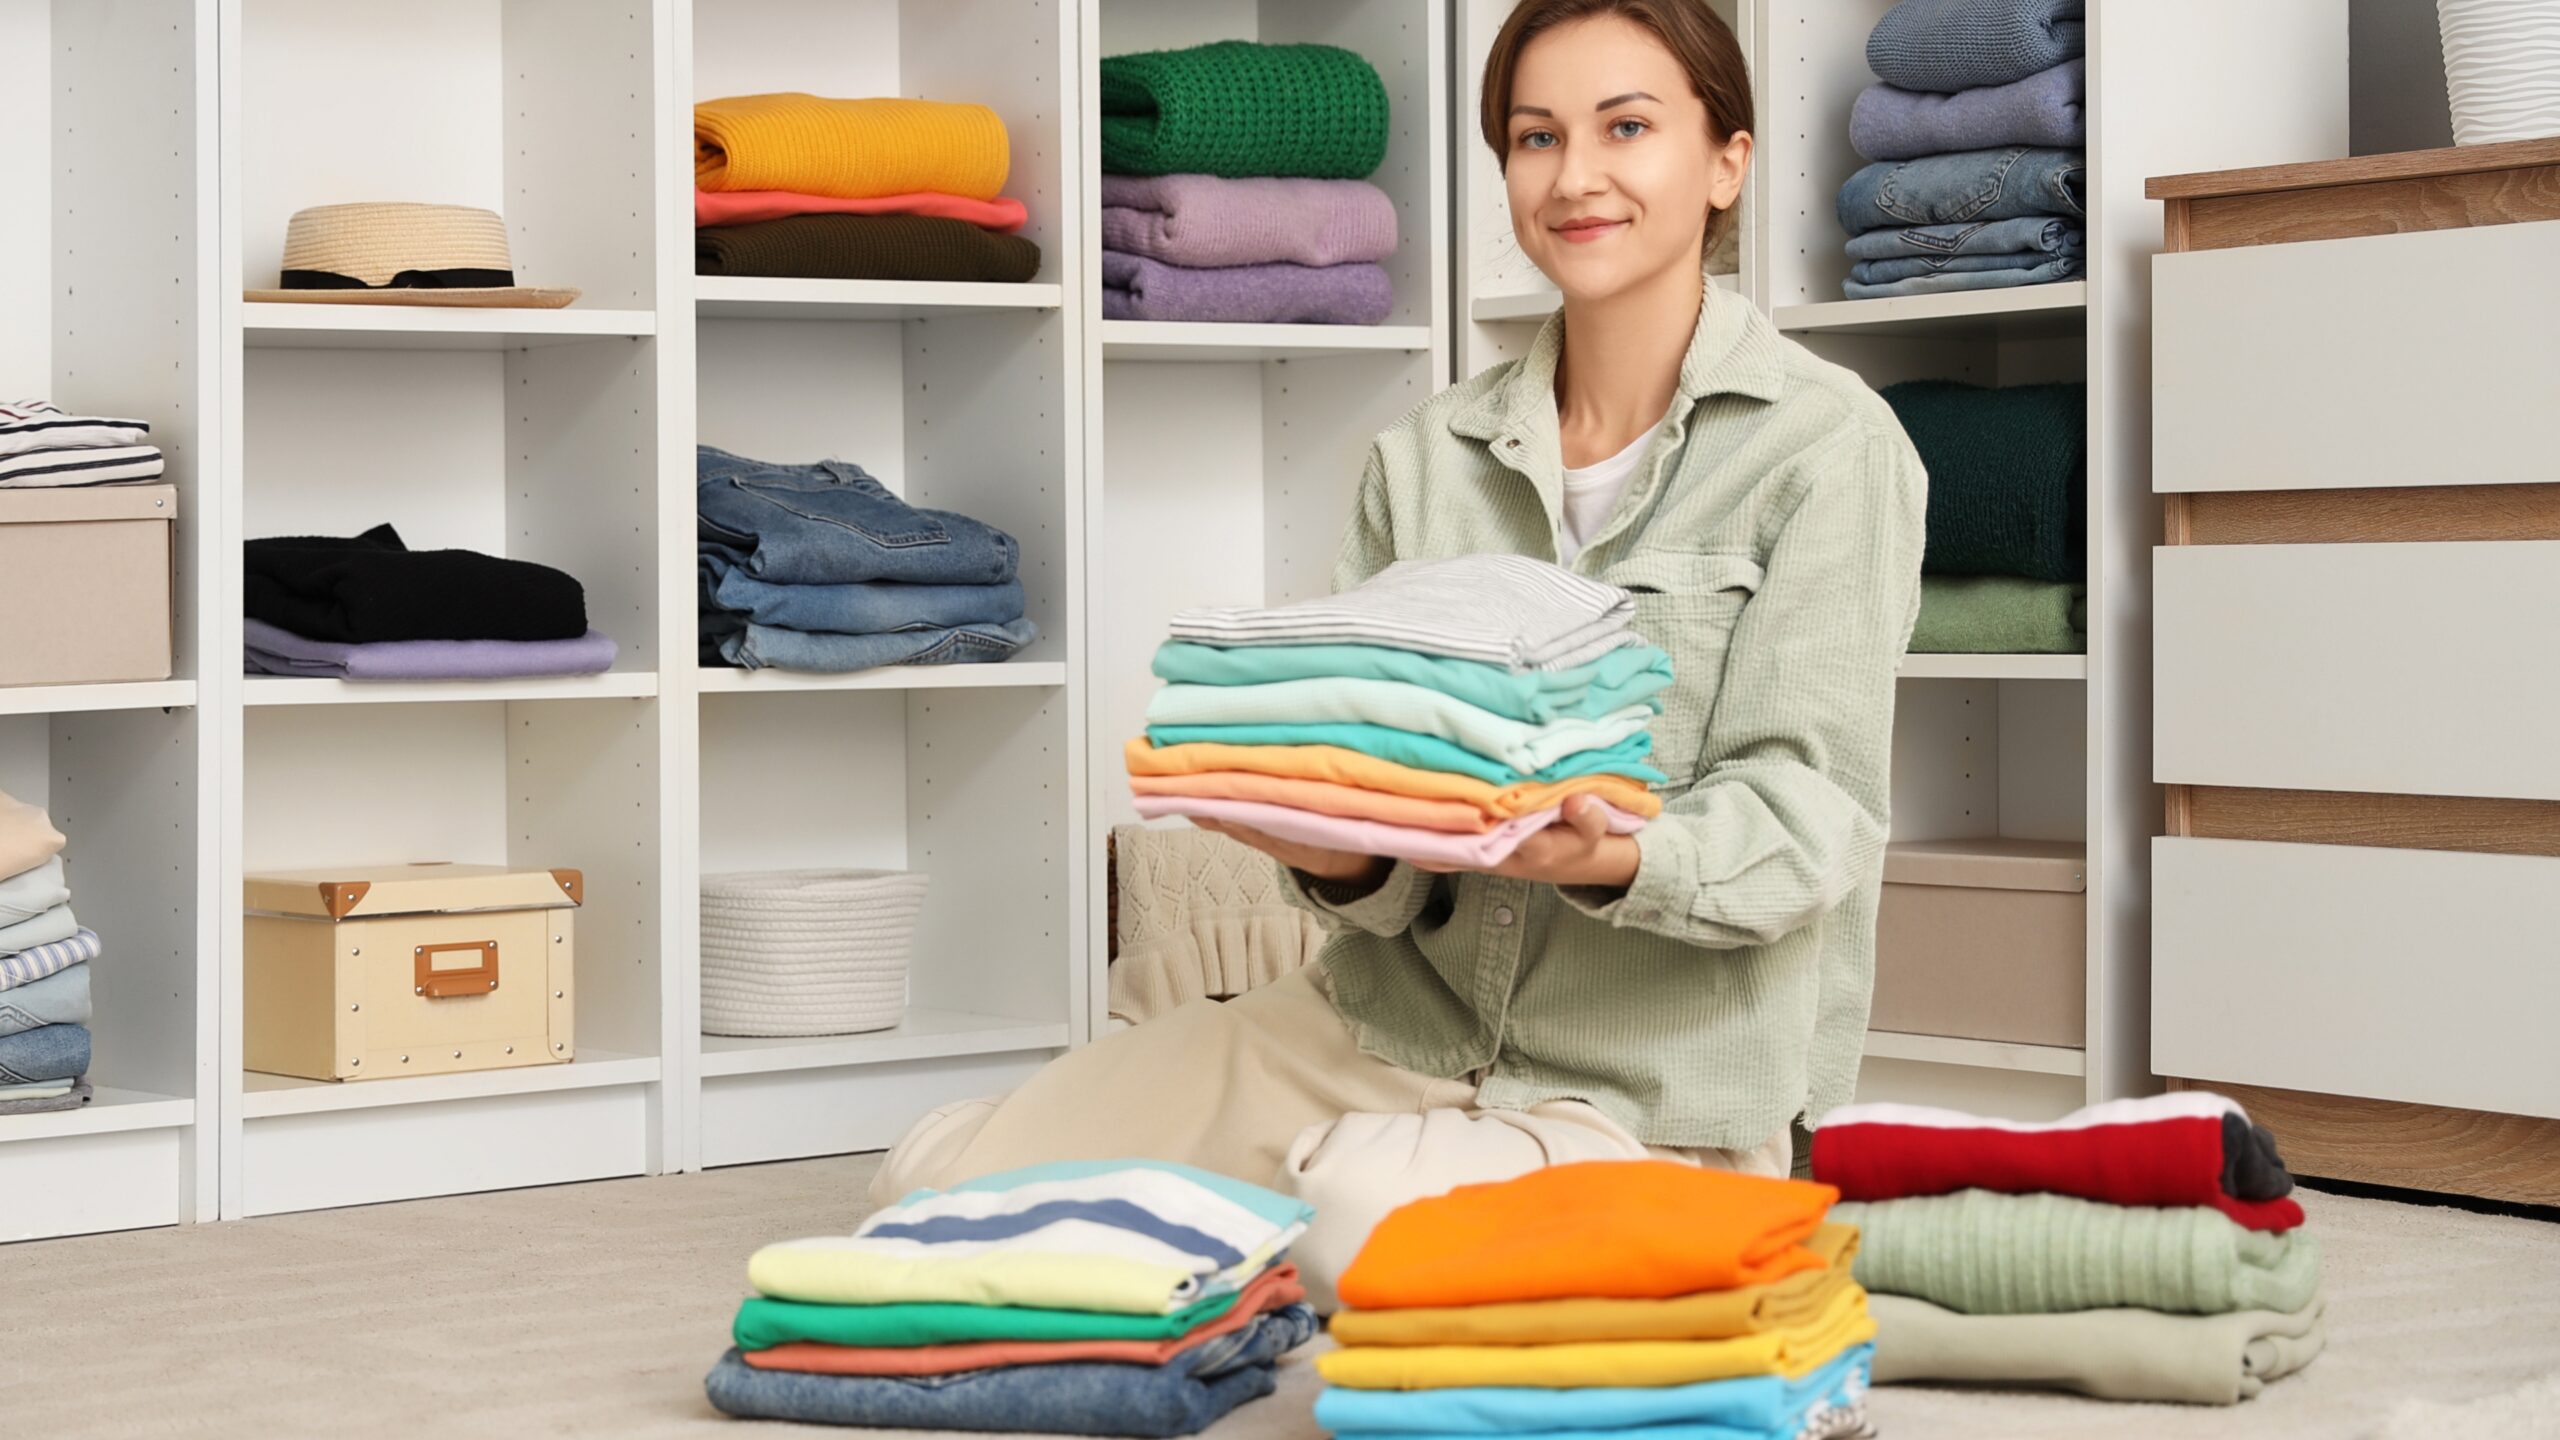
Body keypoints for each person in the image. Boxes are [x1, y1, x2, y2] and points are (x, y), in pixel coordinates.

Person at [871, 0, 1926, 1307]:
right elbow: (1385, 850)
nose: (1576, 175)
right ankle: (1290, 1184)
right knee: (934, 1187)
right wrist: (1337, 843)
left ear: (1725, 161)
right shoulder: (1424, 461)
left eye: (1627, 127)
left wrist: (1611, 856)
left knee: (1357, 1223)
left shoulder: (1829, 449)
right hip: (1384, 1028)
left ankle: (1342, 1206)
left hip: (1649, 1090)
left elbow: (1813, 819)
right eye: (1536, 136)